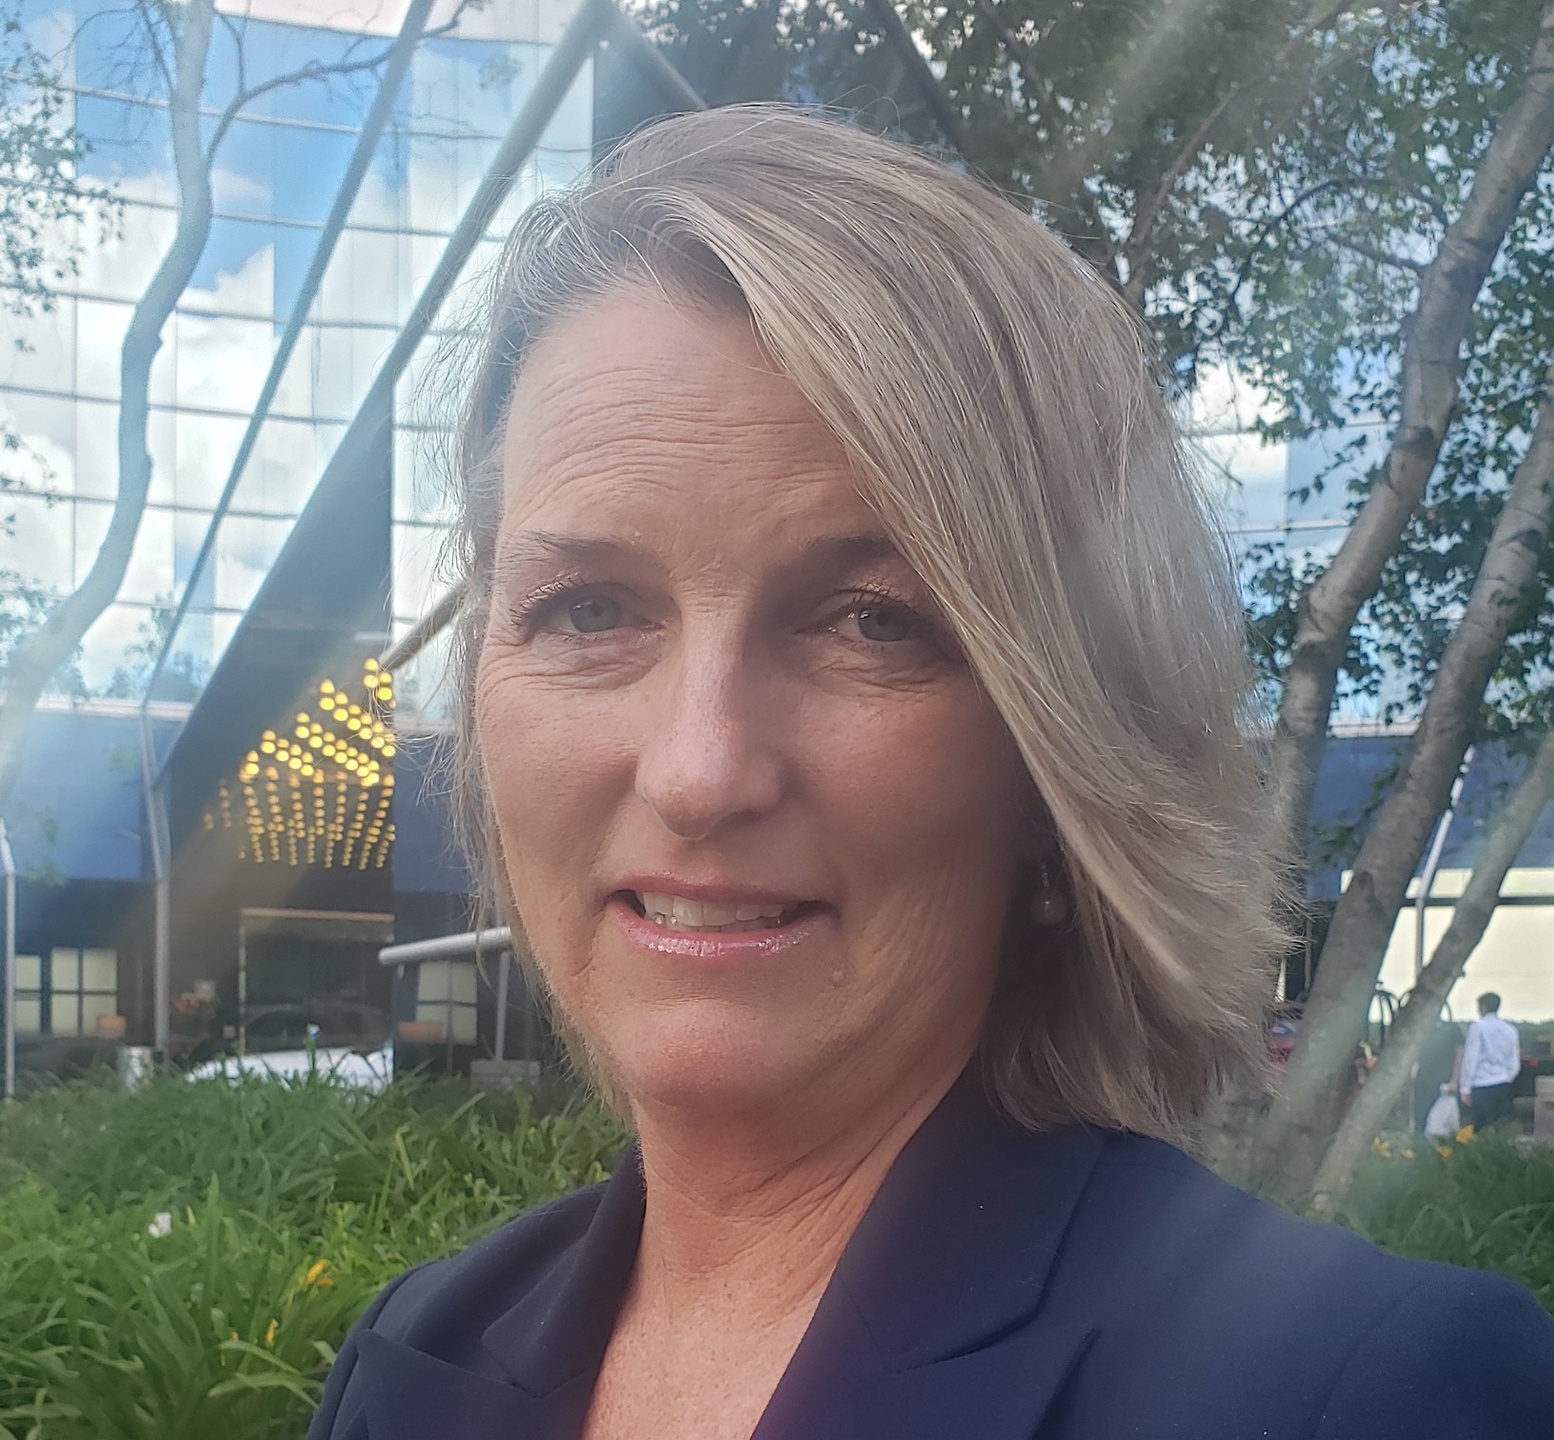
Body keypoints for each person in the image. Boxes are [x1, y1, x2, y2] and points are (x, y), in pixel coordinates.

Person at [308, 107, 1554, 1440]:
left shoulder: (1369, 1393)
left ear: (1057, 753)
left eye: (871, 621)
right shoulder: (412, 1348)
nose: (698, 772)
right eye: (590, 610)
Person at [1461, 991, 1522, 1133]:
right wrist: (1508, 1076)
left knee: (1481, 1129)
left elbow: (1471, 1059)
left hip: (1481, 1084)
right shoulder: (1510, 1029)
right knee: (1500, 1129)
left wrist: (1465, 1087)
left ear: (1483, 1007)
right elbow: (1514, 1060)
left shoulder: (1477, 1027)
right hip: (1503, 1083)